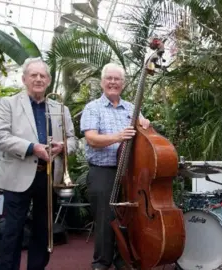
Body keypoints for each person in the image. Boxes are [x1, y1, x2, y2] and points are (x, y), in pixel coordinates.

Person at [0, 57, 77, 270]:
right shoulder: (9, 103)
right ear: (24, 79)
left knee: (43, 230)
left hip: (48, 176)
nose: (38, 79)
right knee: (13, 230)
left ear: (48, 80)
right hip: (17, 174)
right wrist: (33, 148)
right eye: (33, 75)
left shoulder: (61, 108)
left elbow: (73, 140)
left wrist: (62, 147)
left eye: (42, 76)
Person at [80, 63, 150, 270]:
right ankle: (101, 262)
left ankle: (124, 259)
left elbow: (144, 131)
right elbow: (92, 139)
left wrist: (146, 125)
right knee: (105, 219)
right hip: (103, 171)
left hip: (130, 174)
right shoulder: (93, 108)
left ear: (123, 83)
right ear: (102, 82)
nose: (113, 82)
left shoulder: (131, 108)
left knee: (129, 217)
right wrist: (118, 137)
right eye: (109, 78)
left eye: (117, 79)